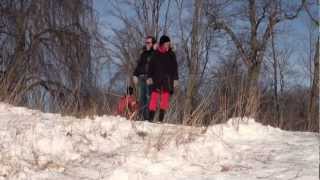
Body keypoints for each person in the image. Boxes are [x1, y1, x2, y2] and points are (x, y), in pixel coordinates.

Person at [147, 35, 179, 122]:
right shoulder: (155, 53)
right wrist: (149, 77)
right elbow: (151, 66)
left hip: (168, 79)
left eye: (169, 43)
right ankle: (150, 119)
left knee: (165, 99)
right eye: (166, 43)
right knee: (154, 98)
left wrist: (176, 79)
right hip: (156, 78)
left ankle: (160, 119)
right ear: (162, 44)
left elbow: (175, 67)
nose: (168, 45)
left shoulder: (171, 54)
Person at [133, 36, 157, 120]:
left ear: (153, 43)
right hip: (141, 77)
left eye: (149, 42)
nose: (147, 44)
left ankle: (148, 119)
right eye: (146, 42)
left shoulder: (155, 53)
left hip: (149, 78)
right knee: (141, 98)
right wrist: (135, 75)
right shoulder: (143, 53)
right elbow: (139, 65)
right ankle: (141, 118)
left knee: (149, 98)